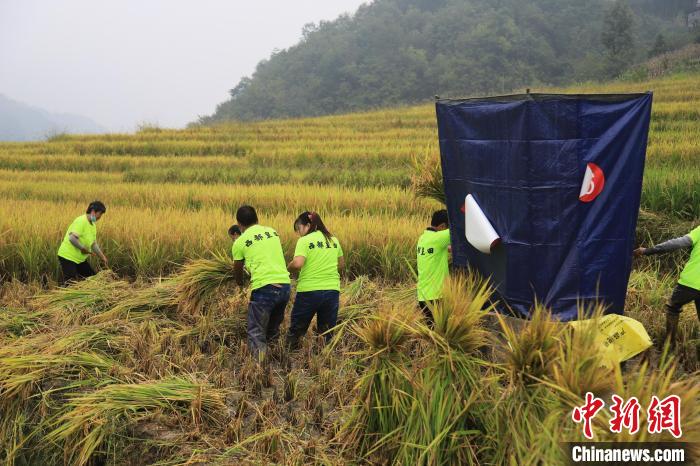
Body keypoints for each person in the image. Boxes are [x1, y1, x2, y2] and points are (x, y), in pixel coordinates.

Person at [231, 205, 291, 359]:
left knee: (256, 332)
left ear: (239, 224)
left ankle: (260, 369)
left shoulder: (240, 242)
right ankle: (278, 363)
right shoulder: (272, 232)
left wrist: (240, 283)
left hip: (265, 289)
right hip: (285, 286)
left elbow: (237, 268)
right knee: (272, 330)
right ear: (257, 219)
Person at [634, 225, 700, 349]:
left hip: (690, 282)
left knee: (673, 308)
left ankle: (670, 345)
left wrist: (648, 251)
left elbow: (677, 243)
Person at [286, 211, 344, 349]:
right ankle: (325, 364)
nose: (299, 233)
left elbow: (298, 263)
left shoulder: (305, 241)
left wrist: (287, 268)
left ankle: (288, 357)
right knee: (327, 332)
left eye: (299, 229)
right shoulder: (333, 240)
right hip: (332, 291)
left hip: (309, 291)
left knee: (297, 331)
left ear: (307, 225)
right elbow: (341, 264)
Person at [57, 201, 108, 285]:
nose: (100, 217)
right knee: (71, 284)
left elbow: (93, 244)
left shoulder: (93, 225)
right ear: (93, 212)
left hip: (79, 259)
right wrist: (82, 248)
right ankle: (66, 297)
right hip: (68, 257)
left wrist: (103, 257)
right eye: (100, 214)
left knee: (92, 279)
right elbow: (72, 238)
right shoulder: (81, 221)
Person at [416, 209, 451, 326]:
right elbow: (459, 229)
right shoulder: (439, 238)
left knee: (433, 333)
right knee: (442, 334)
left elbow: (439, 249)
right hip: (436, 297)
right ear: (442, 226)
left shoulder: (423, 238)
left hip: (423, 296)